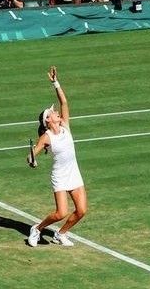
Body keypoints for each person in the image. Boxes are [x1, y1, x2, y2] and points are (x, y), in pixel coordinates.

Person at [27, 66, 87, 248]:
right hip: (60, 177)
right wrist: (32, 160)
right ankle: (37, 228)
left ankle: (60, 234)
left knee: (81, 210)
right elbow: (31, 155)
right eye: (53, 113)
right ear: (48, 120)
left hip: (74, 174)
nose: (57, 113)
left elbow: (64, 102)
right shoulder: (47, 137)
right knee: (61, 213)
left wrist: (55, 82)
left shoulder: (65, 126)